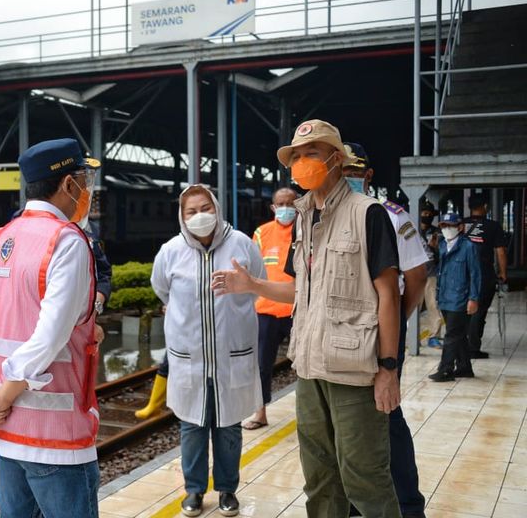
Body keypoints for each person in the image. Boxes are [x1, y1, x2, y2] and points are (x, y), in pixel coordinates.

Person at [212, 119, 403, 518]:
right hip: (309, 368)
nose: (301, 163)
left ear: (335, 159)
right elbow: (301, 291)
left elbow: (388, 296)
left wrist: (389, 368)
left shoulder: (368, 214)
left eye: (310, 153)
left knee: (364, 477)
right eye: (295, 157)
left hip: (356, 372)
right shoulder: (302, 220)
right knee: (319, 478)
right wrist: (251, 285)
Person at [0, 138, 103, 518]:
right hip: (56, 435)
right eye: (84, 180)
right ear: (69, 184)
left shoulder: (0, 237)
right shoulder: (67, 241)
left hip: (6, 432)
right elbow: (50, 337)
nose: (88, 189)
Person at [150, 184, 264, 517]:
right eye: (191, 211)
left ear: (216, 207)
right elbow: (161, 288)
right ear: (182, 217)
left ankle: (227, 490)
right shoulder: (171, 251)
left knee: (228, 427)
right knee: (193, 428)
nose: (200, 216)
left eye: (205, 208)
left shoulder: (241, 244)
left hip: (232, 352)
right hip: (190, 359)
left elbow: (258, 282)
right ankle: (194, 491)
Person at [343, 142, 429, 518]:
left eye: (355, 171)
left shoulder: (391, 216)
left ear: (368, 175)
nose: (348, 178)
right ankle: (352, 502)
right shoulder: (321, 214)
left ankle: (408, 505)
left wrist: (395, 320)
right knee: (345, 422)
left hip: (380, 337)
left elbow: (417, 276)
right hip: (339, 338)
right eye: (341, 170)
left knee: (386, 417)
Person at [242, 187, 298, 431]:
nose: (285, 208)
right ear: (273, 208)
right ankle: (260, 412)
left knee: (307, 362)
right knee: (261, 365)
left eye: (290, 203)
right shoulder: (262, 233)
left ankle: (313, 413)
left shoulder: (308, 230)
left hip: (298, 308)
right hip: (265, 309)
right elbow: (252, 269)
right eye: (281, 204)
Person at [428, 213, 481, 382]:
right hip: (444, 297)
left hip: (460, 298)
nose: (446, 229)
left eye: (450, 226)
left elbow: (475, 274)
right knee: (458, 334)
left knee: (451, 334)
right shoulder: (443, 245)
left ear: (460, 227)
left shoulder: (468, 247)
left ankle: (446, 370)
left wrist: (473, 298)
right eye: (443, 226)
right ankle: (465, 367)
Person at [463, 192, 509, 358]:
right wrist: (503, 273)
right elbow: (500, 252)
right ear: (485, 207)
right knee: (479, 311)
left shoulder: (462, 224)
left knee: (463, 309)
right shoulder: (493, 226)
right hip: (484, 275)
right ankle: (473, 348)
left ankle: (463, 346)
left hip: (463, 275)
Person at [418, 203, 444, 346]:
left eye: (429, 214)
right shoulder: (411, 230)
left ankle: (434, 336)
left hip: (431, 273)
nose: (426, 216)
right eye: (424, 213)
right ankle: (410, 337)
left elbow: (441, 253)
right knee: (413, 306)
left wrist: (435, 248)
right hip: (414, 274)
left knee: (433, 304)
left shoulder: (436, 232)